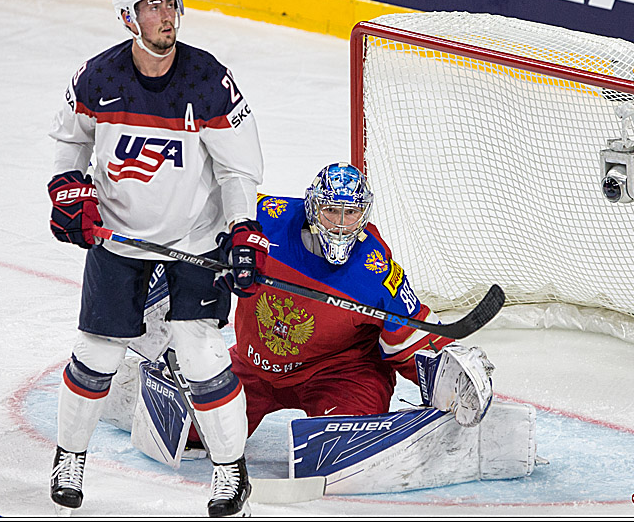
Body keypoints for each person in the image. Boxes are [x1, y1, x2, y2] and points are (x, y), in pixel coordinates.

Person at [47, 0, 265, 517]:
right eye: (152, 6)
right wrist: (69, 196)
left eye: (171, 3)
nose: (167, 14)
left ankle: (229, 471)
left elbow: (238, 170)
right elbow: (68, 144)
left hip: (195, 236)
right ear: (128, 17)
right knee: (94, 353)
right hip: (118, 236)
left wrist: (241, 230)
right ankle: (69, 456)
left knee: (200, 352)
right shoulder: (97, 77)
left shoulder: (208, 80)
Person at [103, 163, 496, 461]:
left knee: (344, 447)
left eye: (351, 214)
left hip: (339, 374)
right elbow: (202, 231)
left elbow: (409, 337)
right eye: (332, 212)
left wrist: (449, 367)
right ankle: (126, 391)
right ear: (312, 208)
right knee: (191, 433)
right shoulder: (266, 222)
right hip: (255, 366)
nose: (342, 225)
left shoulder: (374, 269)